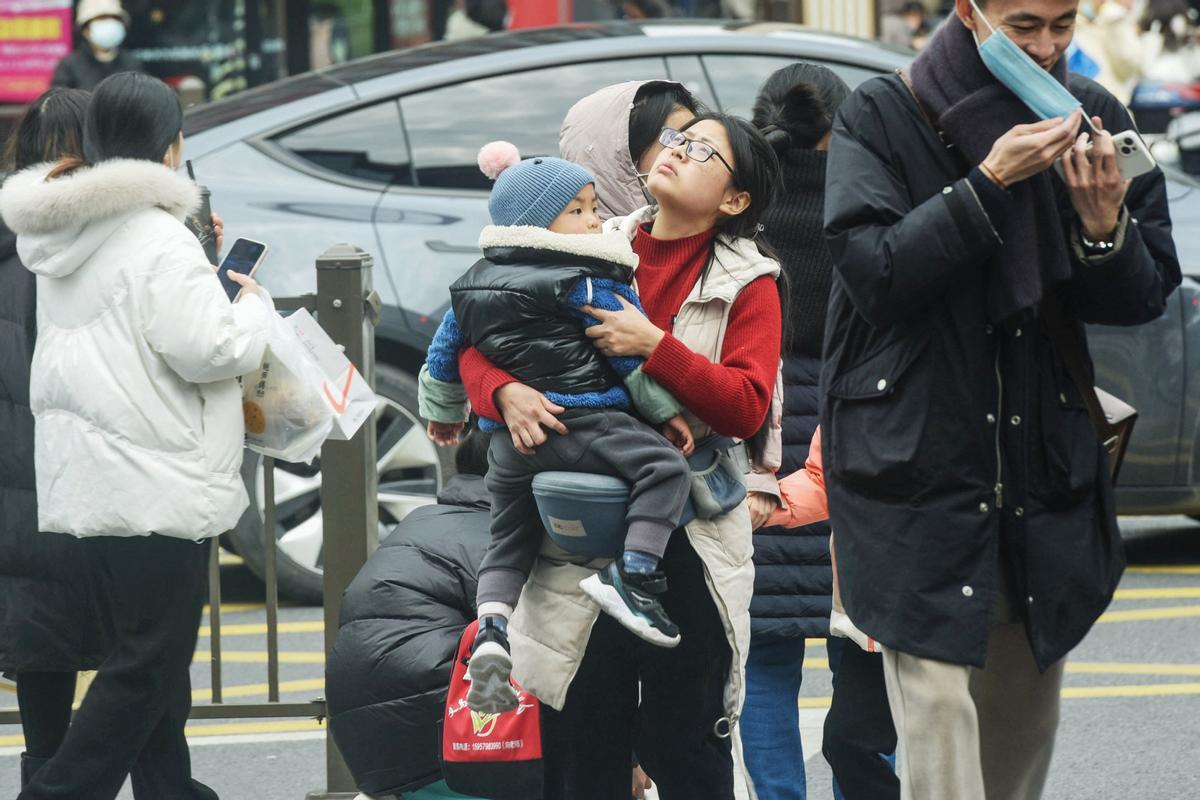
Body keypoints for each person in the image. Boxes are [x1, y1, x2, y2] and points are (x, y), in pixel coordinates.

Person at [822, 1, 1180, 798]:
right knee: (939, 703)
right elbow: (875, 273)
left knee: (1024, 715)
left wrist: (1100, 229)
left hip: (1037, 451)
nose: (1048, 47)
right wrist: (987, 184)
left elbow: (1142, 292)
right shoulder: (882, 111)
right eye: (1024, 26)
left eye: (1063, 23)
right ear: (970, 14)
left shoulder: (1093, 116)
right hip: (911, 452)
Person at [458, 107, 784, 799]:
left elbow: (747, 407)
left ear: (734, 200)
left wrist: (653, 347)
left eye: (701, 151)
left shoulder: (749, 280)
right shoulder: (586, 236)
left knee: (687, 742)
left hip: (687, 537)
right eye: (677, 138)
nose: (676, 150)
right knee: (582, 741)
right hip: (575, 534)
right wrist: (503, 391)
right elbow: (475, 332)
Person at [0, 72, 272, 800]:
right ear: (171, 144)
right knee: (147, 663)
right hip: (158, 477)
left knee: (138, 657)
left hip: (94, 479)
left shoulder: (66, 233)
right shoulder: (155, 233)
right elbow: (209, 349)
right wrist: (250, 309)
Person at [419, 142, 696, 712]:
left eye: (593, 207)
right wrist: (665, 412)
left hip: (508, 444)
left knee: (509, 539)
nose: (595, 220)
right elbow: (627, 356)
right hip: (583, 420)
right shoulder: (586, 280)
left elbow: (443, 356)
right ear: (537, 222)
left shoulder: (470, 285)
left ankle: (492, 630)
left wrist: (445, 414)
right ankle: (635, 576)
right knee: (666, 470)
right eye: (579, 210)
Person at [742, 63, 900, 800]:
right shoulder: (871, 210)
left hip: (761, 445)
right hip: (851, 441)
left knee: (765, 660)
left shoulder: (737, 216)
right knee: (863, 664)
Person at [0, 87, 102, 792]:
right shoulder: (110, 238)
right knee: (139, 657)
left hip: (16, 477)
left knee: (41, 648)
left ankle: (44, 778)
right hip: (96, 470)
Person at [51, 0, 142, 91]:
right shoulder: (69, 66)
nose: (109, 25)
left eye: (114, 18)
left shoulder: (131, 62)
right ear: (85, 31)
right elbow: (60, 101)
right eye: (102, 19)